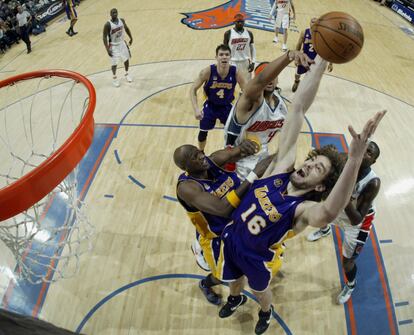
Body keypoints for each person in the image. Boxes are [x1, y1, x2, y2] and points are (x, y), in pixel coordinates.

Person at [216, 56, 386, 334]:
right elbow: (297, 109)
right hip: (233, 237)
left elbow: (330, 212)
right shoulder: (280, 169)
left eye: (317, 168)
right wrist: (321, 62)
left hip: (256, 257)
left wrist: (354, 160)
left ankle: (265, 313)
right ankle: (234, 298)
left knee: (261, 291)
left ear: (320, 186)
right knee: (234, 282)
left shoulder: (302, 210)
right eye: (311, 160)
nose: (307, 164)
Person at [174, 140, 271, 305]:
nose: (201, 155)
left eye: (199, 151)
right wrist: (253, 176)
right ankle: (205, 283)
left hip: (239, 226)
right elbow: (222, 208)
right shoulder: (187, 188)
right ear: (186, 167)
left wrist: (247, 147)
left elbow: (238, 151)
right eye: (195, 157)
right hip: (216, 237)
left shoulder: (213, 160)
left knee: (242, 268)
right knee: (221, 275)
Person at [307, 141, 381, 304]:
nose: (364, 153)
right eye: (364, 149)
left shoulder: (373, 183)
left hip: (357, 221)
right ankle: (325, 229)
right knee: (321, 213)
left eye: (369, 153)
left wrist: (344, 190)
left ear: (373, 161)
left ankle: (351, 284)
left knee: (347, 261)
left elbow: (356, 219)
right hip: (340, 207)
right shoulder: (343, 159)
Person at [224, 50, 306, 180]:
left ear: (277, 79)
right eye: (265, 75)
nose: (269, 80)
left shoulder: (281, 107)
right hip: (238, 163)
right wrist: (288, 56)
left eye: (273, 76)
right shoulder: (251, 100)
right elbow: (261, 80)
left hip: (262, 161)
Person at [190, 44, 246, 151]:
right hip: (210, 106)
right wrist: (196, 109)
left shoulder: (236, 72)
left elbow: (246, 91)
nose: (224, 57)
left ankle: (228, 155)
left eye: (227, 54)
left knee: (233, 134)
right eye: (221, 54)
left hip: (227, 106)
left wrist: (241, 107)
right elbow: (192, 90)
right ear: (216, 57)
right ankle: (201, 152)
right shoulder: (208, 71)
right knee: (203, 132)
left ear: (230, 57)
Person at [292, 17, 333, 92]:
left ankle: (306, 89)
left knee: (312, 78)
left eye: (315, 22)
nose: (313, 23)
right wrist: (296, 56)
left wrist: (330, 63)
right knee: (297, 74)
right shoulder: (304, 32)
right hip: (304, 58)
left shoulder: (322, 35)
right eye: (312, 22)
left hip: (315, 60)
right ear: (309, 23)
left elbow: (328, 49)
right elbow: (299, 44)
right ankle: (296, 82)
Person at [103, 8, 133, 87]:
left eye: (116, 12)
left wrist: (131, 38)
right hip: (113, 45)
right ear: (110, 14)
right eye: (113, 13)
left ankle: (126, 74)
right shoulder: (108, 24)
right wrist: (107, 49)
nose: (115, 14)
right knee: (114, 63)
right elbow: (104, 37)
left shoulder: (121, 20)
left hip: (122, 43)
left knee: (126, 59)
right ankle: (114, 78)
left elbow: (126, 29)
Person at [223, 13, 256, 81]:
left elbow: (253, 48)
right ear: (234, 22)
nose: (240, 23)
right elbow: (224, 50)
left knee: (247, 83)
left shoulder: (249, 33)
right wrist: (225, 61)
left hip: (245, 61)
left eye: (242, 21)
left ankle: (244, 92)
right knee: (231, 83)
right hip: (232, 61)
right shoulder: (228, 33)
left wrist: (253, 62)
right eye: (238, 22)